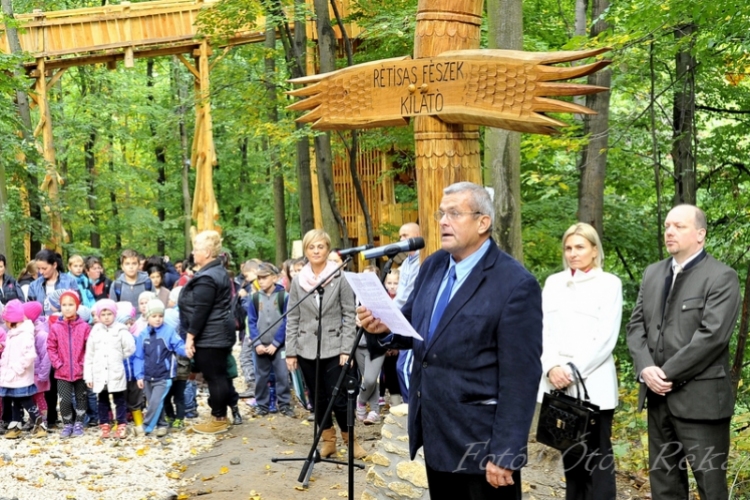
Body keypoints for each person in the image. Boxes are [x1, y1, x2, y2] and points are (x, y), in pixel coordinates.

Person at [358, 182, 543, 500]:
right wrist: (381, 328)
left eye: (454, 213)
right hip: (435, 432)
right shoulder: (434, 266)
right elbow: (414, 326)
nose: (443, 221)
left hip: (480, 446)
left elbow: (521, 379)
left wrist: (505, 454)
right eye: (441, 213)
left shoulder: (515, 284)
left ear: (483, 222)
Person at [627, 204, 741, 500]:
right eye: (667, 226)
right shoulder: (653, 273)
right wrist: (645, 369)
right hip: (657, 399)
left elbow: (712, 337)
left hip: (702, 403)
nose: (669, 231)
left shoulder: (721, 277)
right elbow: (636, 327)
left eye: (679, 226)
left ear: (700, 234)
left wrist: (664, 373)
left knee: (711, 487)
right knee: (664, 487)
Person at [537, 222, 621, 500]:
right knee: (572, 463)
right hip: (557, 386)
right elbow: (542, 329)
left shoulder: (609, 284)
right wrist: (550, 366)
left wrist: (572, 371)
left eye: (580, 247)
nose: (573, 253)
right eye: (569, 248)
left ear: (594, 250)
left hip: (592, 386)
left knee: (597, 463)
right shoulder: (554, 283)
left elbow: (605, 339)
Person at [285, 229, 364, 459]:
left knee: (338, 397)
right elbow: (293, 316)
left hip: (334, 346)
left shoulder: (340, 277)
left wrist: (346, 349)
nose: (316, 251)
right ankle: (328, 441)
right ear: (306, 251)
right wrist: (291, 351)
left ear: (327, 249)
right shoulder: (299, 281)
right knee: (317, 398)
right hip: (306, 347)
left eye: (320, 246)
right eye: (311, 247)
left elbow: (349, 315)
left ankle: (351, 441)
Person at [179, 230, 239, 435]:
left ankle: (219, 418)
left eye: (196, 249)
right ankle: (220, 415)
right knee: (218, 375)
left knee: (215, 377)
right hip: (219, 331)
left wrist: (190, 336)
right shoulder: (217, 271)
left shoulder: (208, 277)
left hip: (212, 334)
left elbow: (200, 311)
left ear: (206, 252)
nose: (193, 253)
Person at [134, 299, 188, 436]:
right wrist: (139, 375)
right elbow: (139, 357)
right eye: (154, 316)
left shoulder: (169, 331)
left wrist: (187, 350)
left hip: (163, 375)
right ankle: (162, 424)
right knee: (155, 401)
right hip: (147, 375)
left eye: (160, 316)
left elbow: (178, 345)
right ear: (148, 317)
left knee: (156, 401)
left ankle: (146, 426)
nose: (158, 319)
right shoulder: (143, 334)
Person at [84, 299, 136, 439]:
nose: (106, 317)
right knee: (102, 400)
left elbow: (130, 347)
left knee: (119, 399)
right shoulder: (95, 331)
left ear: (114, 314)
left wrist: (118, 356)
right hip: (100, 372)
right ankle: (105, 425)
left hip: (115, 371)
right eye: (103, 314)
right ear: (99, 316)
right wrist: (89, 376)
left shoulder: (120, 330)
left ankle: (121, 425)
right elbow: (90, 354)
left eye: (109, 314)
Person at [247, 263, 294, 418]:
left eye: (265, 277)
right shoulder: (254, 298)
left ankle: (285, 404)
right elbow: (252, 322)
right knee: (261, 376)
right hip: (260, 345)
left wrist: (276, 343)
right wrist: (257, 343)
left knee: (282, 375)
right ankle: (262, 404)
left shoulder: (284, 297)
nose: (261, 281)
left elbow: (287, 321)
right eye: (259, 278)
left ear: (274, 278)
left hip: (278, 346)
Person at [46, 290, 91, 438]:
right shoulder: (56, 327)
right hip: (62, 372)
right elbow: (51, 347)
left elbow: (89, 347)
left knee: (81, 398)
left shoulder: (84, 327)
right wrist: (57, 364)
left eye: (71, 304)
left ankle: (79, 422)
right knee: (64, 400)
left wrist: (84, 363)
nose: (67, 308)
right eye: (64, 305)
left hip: (80, 371)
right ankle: (67, 424)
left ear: (77, 306)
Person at [0, 300, 46, 439]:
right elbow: (8, 354)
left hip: (20, 376)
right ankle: (16, 425)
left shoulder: (25, 334)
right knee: (15, 400)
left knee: (26, 400)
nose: (5, 324)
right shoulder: (12, 334)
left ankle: (39, 423)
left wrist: (17, 368)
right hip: (11, 376)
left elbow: (29, 355)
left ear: (11, 320)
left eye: (6, 320)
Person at [393, 222, 421, 402]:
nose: (402, 239)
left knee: (404, 368)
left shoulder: (422, 261)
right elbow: (400, 295)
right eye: (400, 236)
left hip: (414, 319)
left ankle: (414, 408)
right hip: (402, 318)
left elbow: (406, 296)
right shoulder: (405, 263)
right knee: (402, 367)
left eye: (406, 235)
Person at [23, 301, 51, 431]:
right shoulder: (26, 332)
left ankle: (43, 420)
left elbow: (46, 355)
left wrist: (43, 375)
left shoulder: (41, 335)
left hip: (39, 373)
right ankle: (33, 419)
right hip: (29, 372)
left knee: (39, 397)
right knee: (30, 398)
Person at [27, 249, 78, 317]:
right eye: (38, 269)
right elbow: (30, 310)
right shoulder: (34, 286)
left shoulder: (69, 281)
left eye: (44, 268)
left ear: (54, 265)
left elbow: (78, 306)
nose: (41, 272)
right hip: (41, 324)